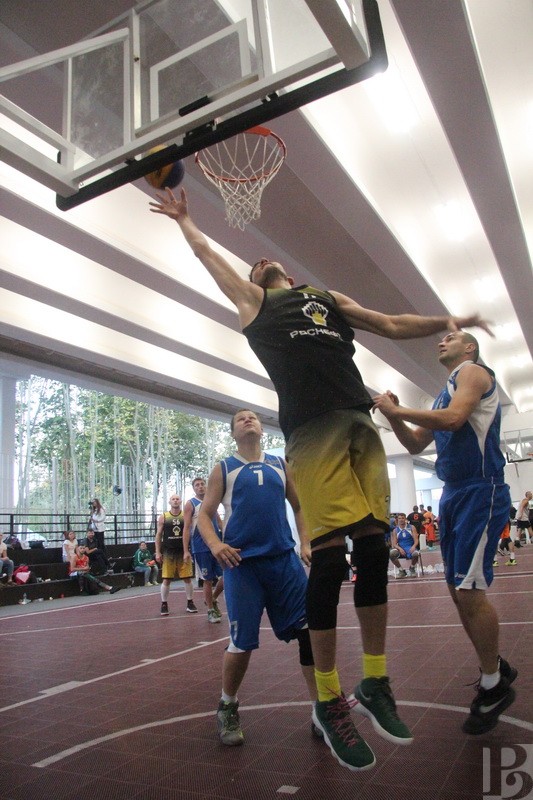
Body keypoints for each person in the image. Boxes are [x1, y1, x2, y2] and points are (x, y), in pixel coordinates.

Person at [150, 187, 492, 770]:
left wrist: (447, 320)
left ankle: (375, 681)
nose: (260, 260)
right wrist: (185, 221)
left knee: (375, 549)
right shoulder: (258, 304)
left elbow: (388, 321)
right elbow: (210, 256)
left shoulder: (325, 299)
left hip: (360, 424)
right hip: (312, 434)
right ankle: (330, 700)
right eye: (253, 265)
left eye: (264, 260)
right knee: (331, 561)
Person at [373, 330, 517, 735]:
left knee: (469, 590)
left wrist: (398, 409)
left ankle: (493, 685)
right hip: (452, 493)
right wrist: (394, 416)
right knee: (456, 590)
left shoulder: (472, 372)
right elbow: (415, 445)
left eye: (451, 337)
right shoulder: (441, 395)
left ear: (469, 347)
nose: (442, 340)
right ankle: (495, 666)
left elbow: (454, 420)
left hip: (480, 489)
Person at [196, 408, 317, 749]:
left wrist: (306, 542)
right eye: (240, 419)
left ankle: (321, 708)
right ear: (233, 432)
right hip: (242, 565)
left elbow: (300, 506)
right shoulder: (224, 468)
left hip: (283, 561)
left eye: (252, 417)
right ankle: (227, 705)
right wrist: (216, 544)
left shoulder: (281, 465)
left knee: (310, 633)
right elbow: (205, 515)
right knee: (242, 642)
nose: (248, 419)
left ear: (262, 429)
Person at [182, 477, 224, 623]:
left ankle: (213, 597)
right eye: (197, 485)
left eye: (202, 484)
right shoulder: (191, 504)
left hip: (216, 544)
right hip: (200, 547)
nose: (200, 487)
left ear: (206, 486)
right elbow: (187, 528)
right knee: (207, 579)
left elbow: (219, 522)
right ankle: (211, 610)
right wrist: (186, 550)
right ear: (194, 488)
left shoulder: (211, 501)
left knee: (226, 575)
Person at [155, 494, 197, 616]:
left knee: (187, 577)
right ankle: (164, 604)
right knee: (167, 579)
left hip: (183, 551)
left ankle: (190, 602)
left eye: (177, 499)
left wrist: (189, 550)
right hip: (169, 551)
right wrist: (158, 552)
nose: (175, 501)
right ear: (169, 502)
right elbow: (158, 535)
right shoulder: (163, 517)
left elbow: (191, 531)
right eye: (173, 499)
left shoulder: (185, 515)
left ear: (180, 501)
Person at [389, 513, 419, 577]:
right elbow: (394, 544)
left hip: (410, 547)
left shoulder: (411, 527)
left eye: (403, 518)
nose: (401, 520)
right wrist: (400, 549)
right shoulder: (395, 530)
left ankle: (412, 567)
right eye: (399, 518)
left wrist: (414, 546)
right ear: (397, 519)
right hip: (401, 549)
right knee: (391, 554)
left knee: (416, 554)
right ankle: (401, 570)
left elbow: (416, 540)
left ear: (405, 519)